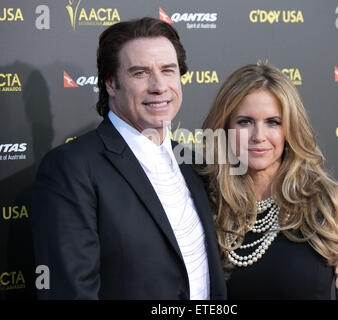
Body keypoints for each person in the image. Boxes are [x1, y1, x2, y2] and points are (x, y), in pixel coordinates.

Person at [32, 17, 226, 300]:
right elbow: (69, 291)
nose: (159, 86)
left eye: (168, 70)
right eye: (140, 73)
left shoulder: (193, 163)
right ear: (110, 83)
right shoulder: (71, 168)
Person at [197, 63, 338, 299]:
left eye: (273, 122)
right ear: (224, 128)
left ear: (290, 130)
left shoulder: (331, 205)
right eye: (245, 122)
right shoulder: (202, 201)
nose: (259, 136)